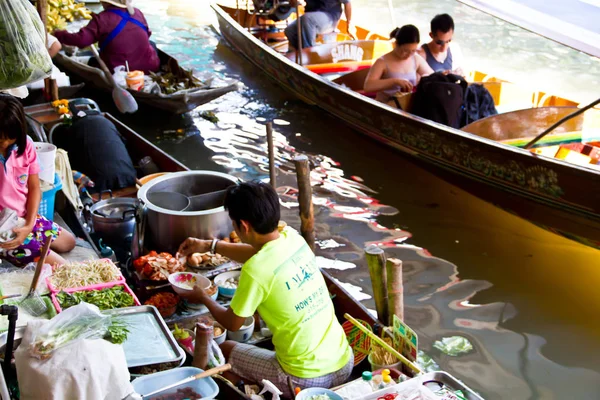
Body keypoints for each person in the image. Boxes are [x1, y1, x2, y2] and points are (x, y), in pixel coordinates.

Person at [177, 181, 353, 398]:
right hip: (345, 362)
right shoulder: (293, 238)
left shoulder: (255, 270)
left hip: (306, 378)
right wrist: (210, 245)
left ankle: (258, 391)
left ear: (244, 225)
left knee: (226, 350)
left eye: (233, 224)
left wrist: (202, 296)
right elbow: (257, 254)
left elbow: (232, 322)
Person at [0, 95, 76, 267]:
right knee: (62, 267)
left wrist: (29, 224)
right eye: (0, 139)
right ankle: (9, 250)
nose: (4, 143)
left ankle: (25, 244)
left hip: (24, 215)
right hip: (2, 225)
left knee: (68, 242)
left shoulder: (25, 145)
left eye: (9, 138)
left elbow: (35, 188)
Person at [53, 0, 160, 73]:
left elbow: (82, 40)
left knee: (89, 60)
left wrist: (59, 34)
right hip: (151, 66)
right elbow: (147, 33)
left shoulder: (102, 18)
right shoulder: (137, 12)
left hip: (121, 71)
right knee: (151, 44)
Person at [364, 25, 433, 103]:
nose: (409, 55)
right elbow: (368, 86)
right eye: (405, 51)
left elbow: (432, 76)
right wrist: (395, 81)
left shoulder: (415, 59)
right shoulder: (382, 62)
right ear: (396, 44)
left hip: (407, 106)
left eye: (413, 51)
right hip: (385, 106)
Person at [285, 0, 356, 50]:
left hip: (330, 18)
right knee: (289, 30)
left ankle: (309, 52)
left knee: (308, 19)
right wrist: (294, 2)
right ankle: (299, 52)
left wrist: (349, 23)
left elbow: (347, 3)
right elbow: (292, 4)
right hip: (310, 17)